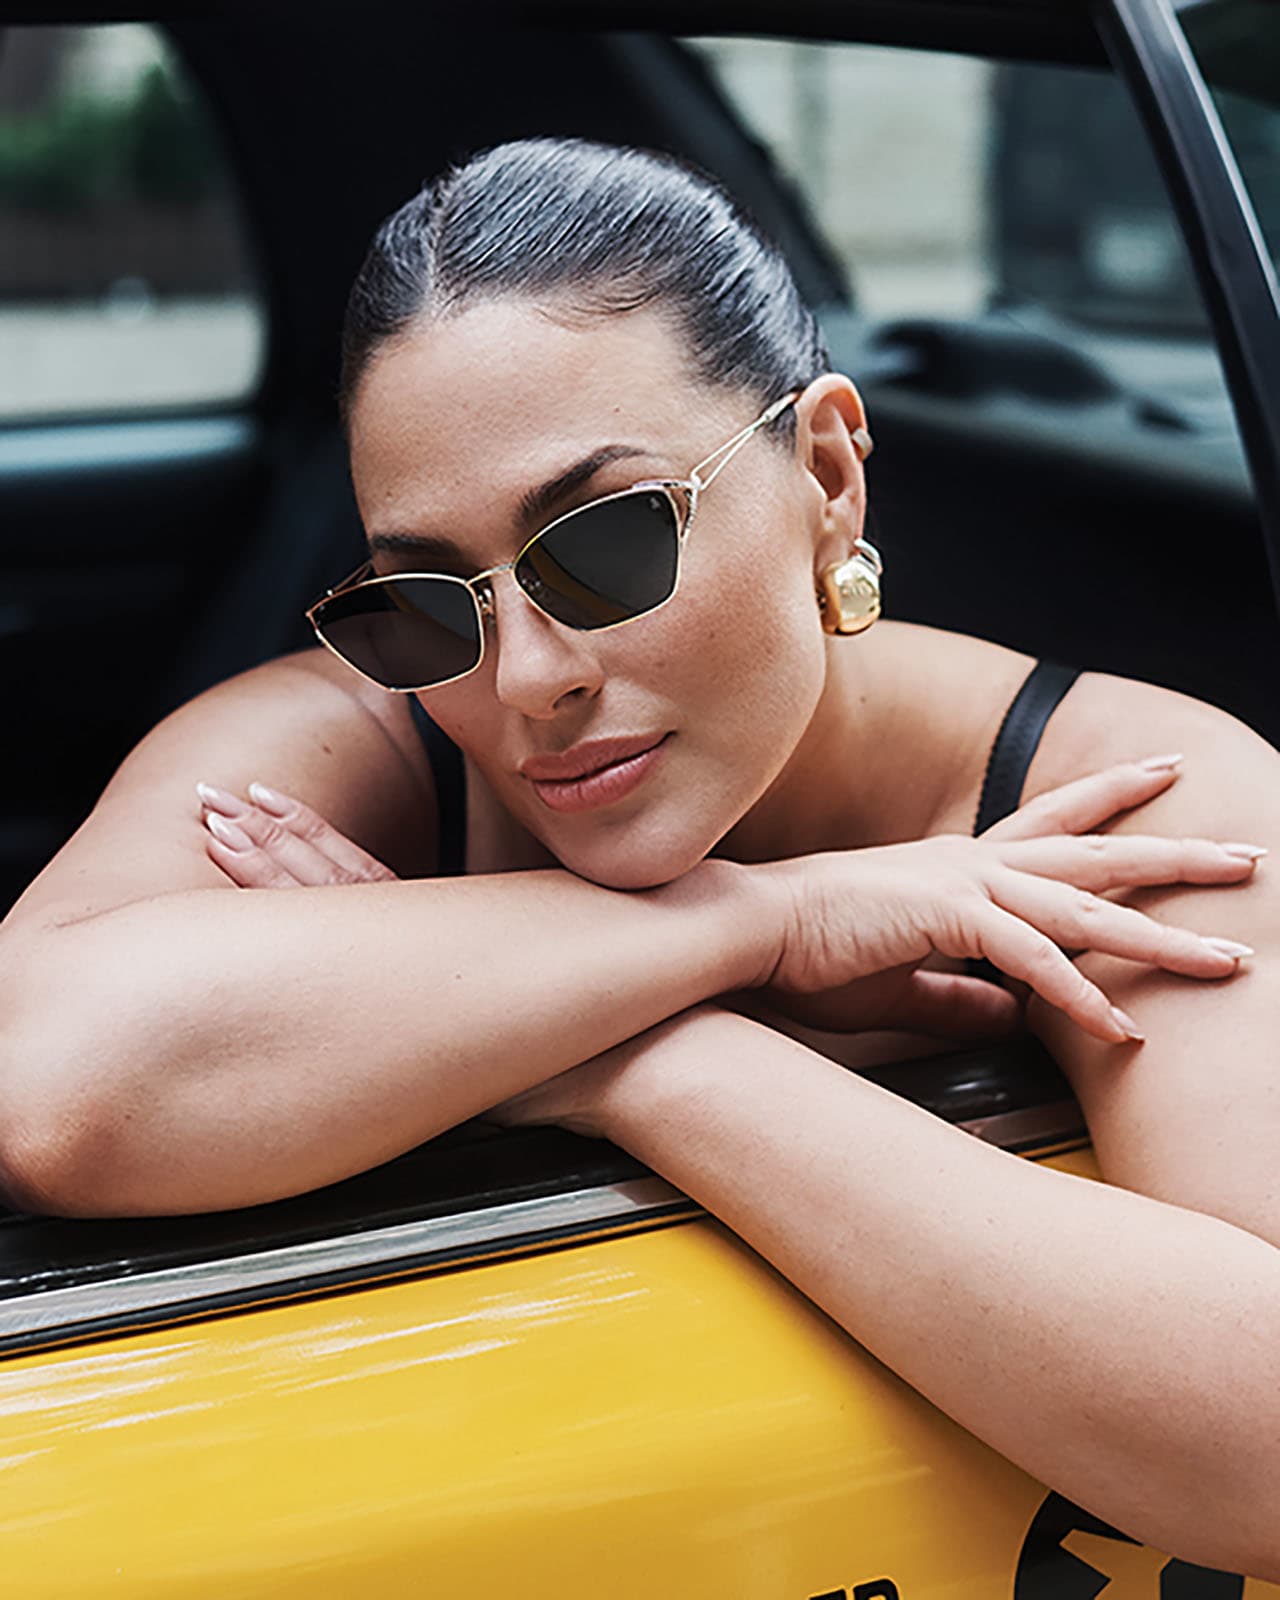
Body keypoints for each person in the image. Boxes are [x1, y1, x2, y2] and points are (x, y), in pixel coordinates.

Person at [2, 138, 1278, 1576]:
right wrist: (756, 928)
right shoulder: (353, 737)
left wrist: (632, 1060)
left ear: (829, 476)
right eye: (427, 601)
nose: (526, 677)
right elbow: (48, 1084)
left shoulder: (1125, 798)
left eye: (604, 545)